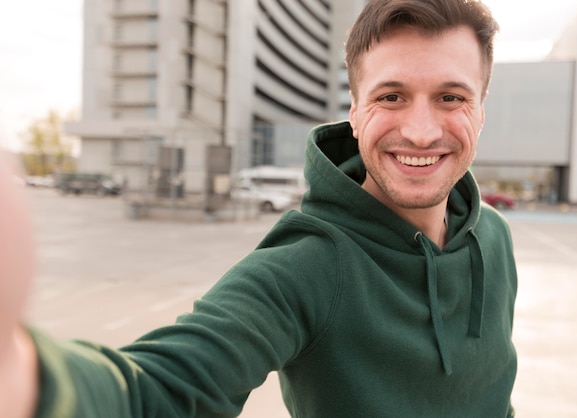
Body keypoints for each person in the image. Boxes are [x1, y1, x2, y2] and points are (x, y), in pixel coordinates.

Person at [0, 0, 518, 416]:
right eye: (391, 97)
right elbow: (161, 391)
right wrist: (23, 375)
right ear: (356, 115)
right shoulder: (310, 265)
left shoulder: (492, 236)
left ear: (481, 112)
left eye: (451, 98)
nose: (422, 131)